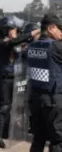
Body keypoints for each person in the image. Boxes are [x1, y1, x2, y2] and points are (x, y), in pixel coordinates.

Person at [0, 15, 40, 148]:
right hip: (5, 79)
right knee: (4, 107)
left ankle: (12, 132)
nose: (16, 31)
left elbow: (24, 48)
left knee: (19, 106)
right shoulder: (1, 43)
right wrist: (33, 32)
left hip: (17, 79)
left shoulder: (17, 43)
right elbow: (14, 42)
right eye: (13, 29)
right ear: (6, 30)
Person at [27, 13, 62, 152]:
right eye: (60, 28)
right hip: (53, 102)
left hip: (35, 100)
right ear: (51, 28)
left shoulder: (32, 46)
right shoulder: (56, 47)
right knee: (57, 141)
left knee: (38, 139)